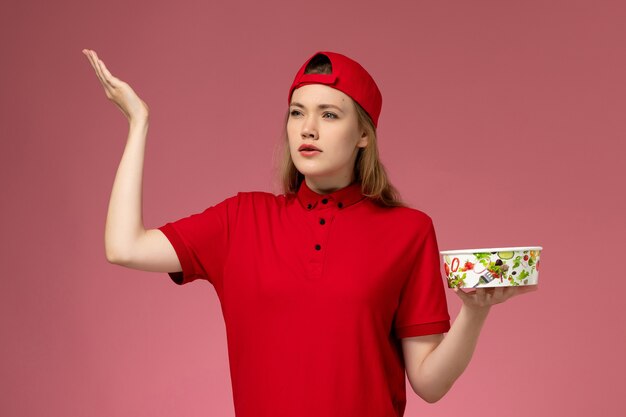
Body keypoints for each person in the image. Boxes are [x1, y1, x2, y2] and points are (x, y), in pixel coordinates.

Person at [83, 48, 538, 417]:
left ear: (364, 133)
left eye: (330, 115)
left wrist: (475, 313)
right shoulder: (241, 219)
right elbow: (124, 246)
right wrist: (137, 123)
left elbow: (430, 384)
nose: (308, 128)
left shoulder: (409, 231)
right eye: (297, 112)